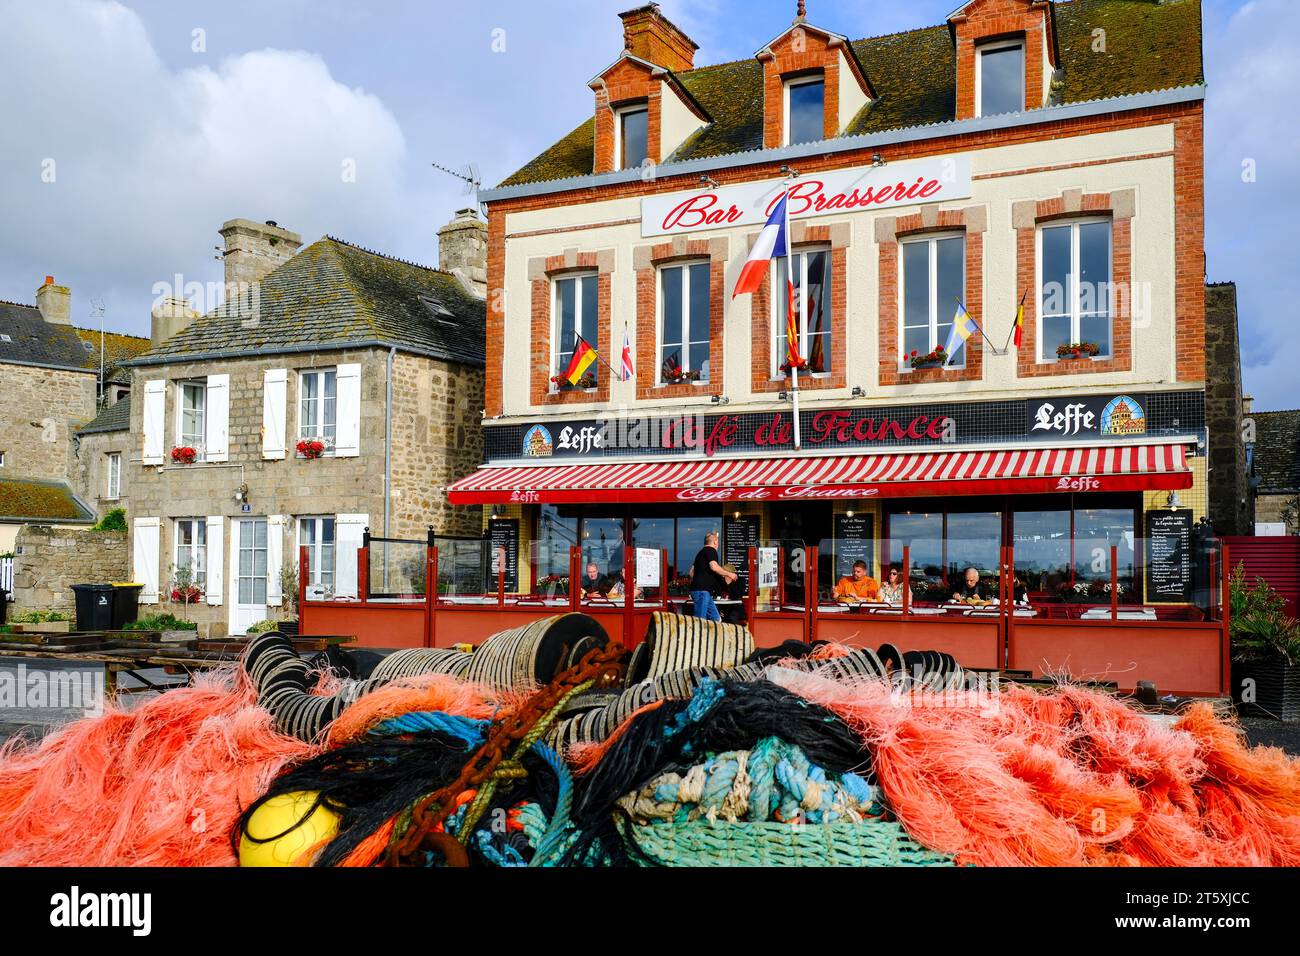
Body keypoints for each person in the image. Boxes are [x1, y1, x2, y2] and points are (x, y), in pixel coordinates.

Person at [689, 531, 734, 622]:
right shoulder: (711, 550)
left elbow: (690, 573)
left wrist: (699, 579)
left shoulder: (700, 553)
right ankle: (698, 636)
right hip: (703, 592)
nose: (718, 545)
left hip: (701, 591)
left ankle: (712, 636)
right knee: (699, 621)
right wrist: (729, 574)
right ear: (715, 542)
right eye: (718, 543)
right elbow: (714, 567)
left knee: (716, 619)